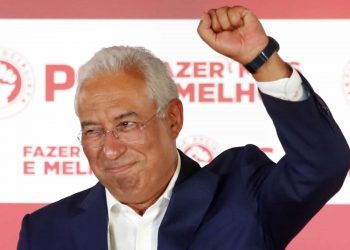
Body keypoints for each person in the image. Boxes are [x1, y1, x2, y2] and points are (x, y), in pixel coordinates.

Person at [17, 5, 349, 250]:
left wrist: (260, 59)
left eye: (126, 124)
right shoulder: (45, 232)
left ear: (173, 118)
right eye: (93, 131)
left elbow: (322, 164)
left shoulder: (243, 198)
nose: (110, 149)